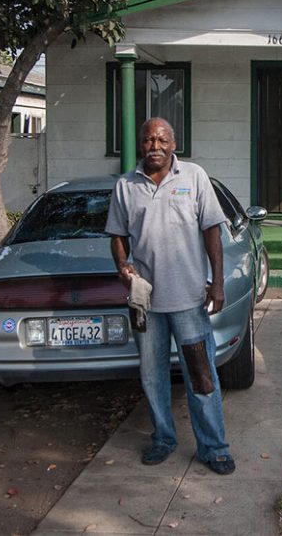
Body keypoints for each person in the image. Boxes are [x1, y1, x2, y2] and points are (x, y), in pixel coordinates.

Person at [105, 117, 234, 475]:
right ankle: (163, 438)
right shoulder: (126, 185)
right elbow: (117, 235)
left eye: (162, 140)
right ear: (141, 144)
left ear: (174, 144)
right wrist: (122, 266)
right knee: (152, 376)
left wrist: (217, 283)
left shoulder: (194, 177)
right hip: (145, 303)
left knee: (201, 377)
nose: (155, 146)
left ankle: (214, 447)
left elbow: (212, 231)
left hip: (189, 300)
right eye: (149, 140)